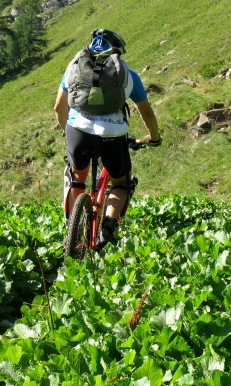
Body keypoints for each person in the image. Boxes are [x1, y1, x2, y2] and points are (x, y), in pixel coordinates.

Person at [54, 28, 161, 251]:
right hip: (112, 136)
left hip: (78, 132)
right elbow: (148, 114)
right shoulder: (128, 75)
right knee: (119, 183)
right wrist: (153, 138)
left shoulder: (74, 67)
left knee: (77, 178)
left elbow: (58, 108)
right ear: (116, 52)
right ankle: (108, 226)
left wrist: (67, 131)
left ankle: (73, 233)